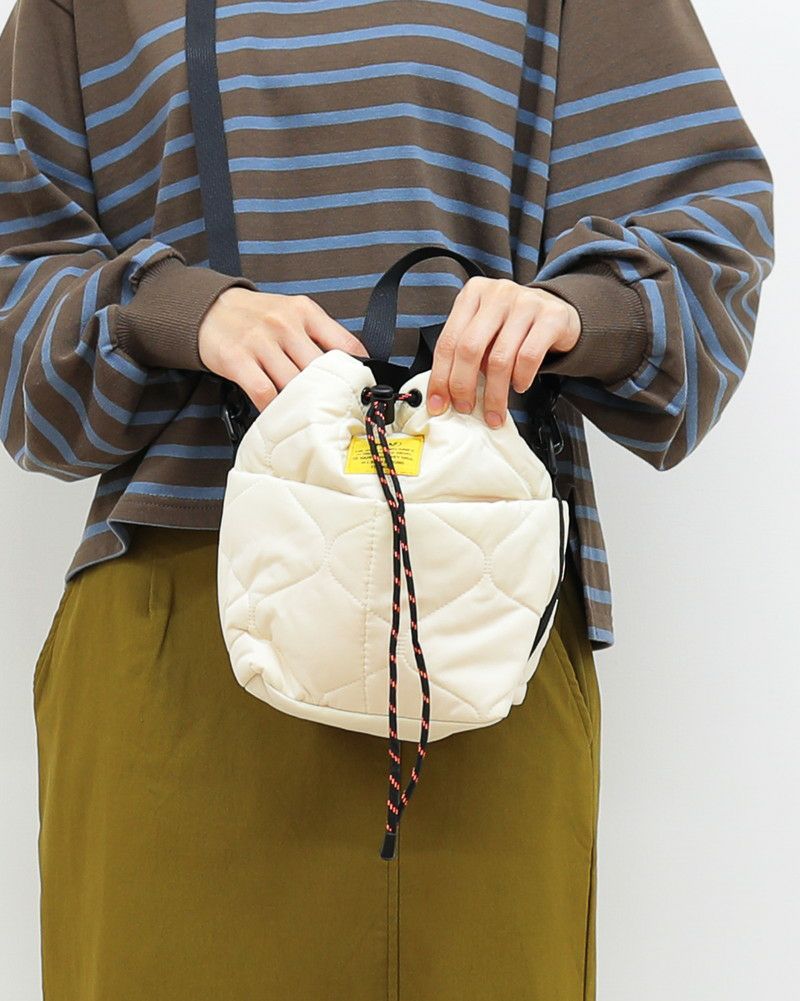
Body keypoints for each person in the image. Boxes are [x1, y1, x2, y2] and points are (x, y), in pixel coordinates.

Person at [0, 1, 773, 999]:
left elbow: (706, 254)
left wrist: (569, 311)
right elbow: (15, 311)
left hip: (480, 635)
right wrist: (182, 310)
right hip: (181, 639)